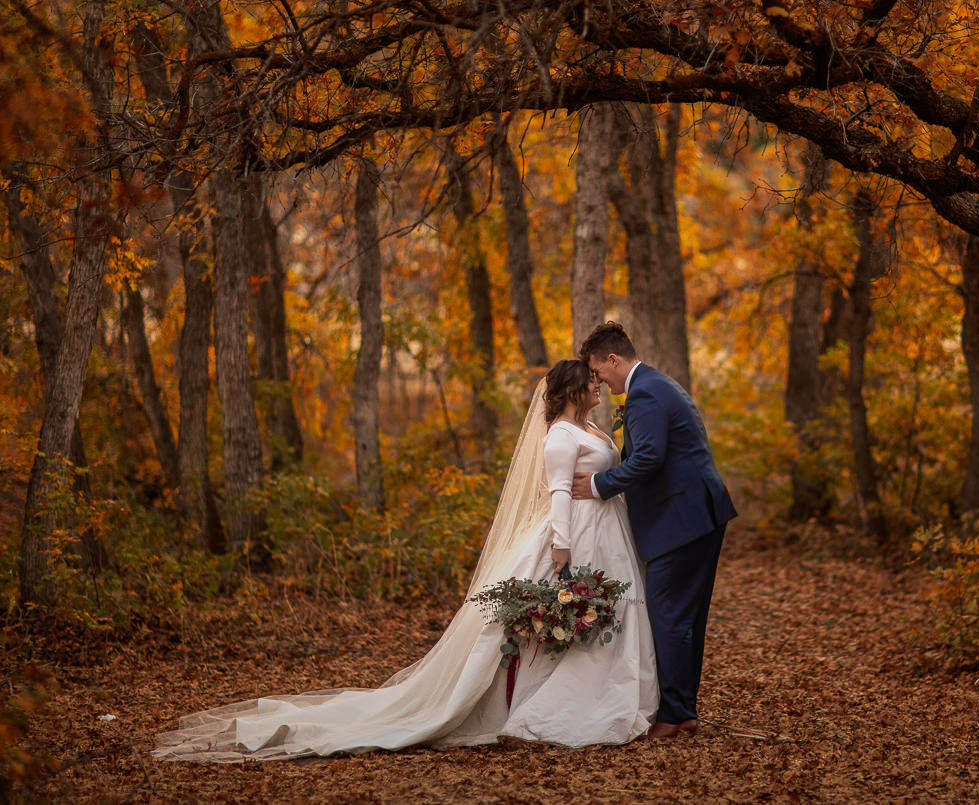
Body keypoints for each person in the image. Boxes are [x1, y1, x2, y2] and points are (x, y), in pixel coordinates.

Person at [152, 361, 657, 761]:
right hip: (575, 536)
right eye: (588, 381)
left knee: (604, 616)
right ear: (570, 389)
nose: (597, 386)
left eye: (598, 379)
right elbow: (558, 495)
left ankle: (600, 695)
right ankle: (555, 705)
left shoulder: (588, 428)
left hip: (606, 533)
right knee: (562, 620)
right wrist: (562, 549)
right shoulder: (560, 436)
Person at [572, 322, 736, 741]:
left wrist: (596, 486)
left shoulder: (645, 393)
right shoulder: (657, 385)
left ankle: (674, 714)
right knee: (685, 618)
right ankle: (683, 710)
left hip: (682, 521)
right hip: (696, 516)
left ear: (613, 359)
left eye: (598, 371)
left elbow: (647, 458)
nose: (599, 381)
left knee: (669, 616)